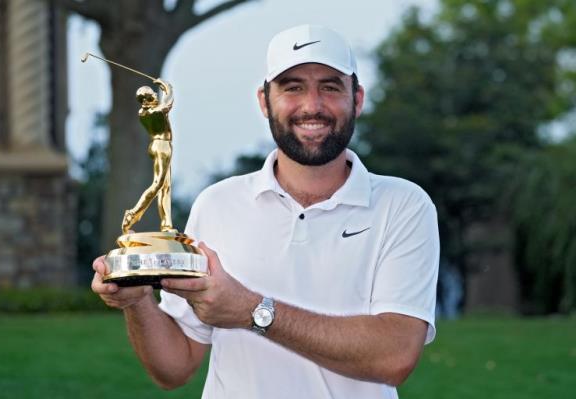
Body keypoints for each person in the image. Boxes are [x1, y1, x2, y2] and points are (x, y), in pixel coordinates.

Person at [92, 25, 439, 398]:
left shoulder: (403, 204)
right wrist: (138, 302)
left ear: (357, 99)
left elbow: (395, 356)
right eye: (292, 87)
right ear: (264, 100)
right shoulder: (217, 203)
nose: (312, 105)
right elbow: (174, 367)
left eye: (330, 86)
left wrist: (252, 311)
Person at [122, 79, 174, 233]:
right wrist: (166, 86)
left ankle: (166, 224)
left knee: (166, 187)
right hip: (162, 146)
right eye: (152, 96)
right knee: (158, 184)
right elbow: (169, 102)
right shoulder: (154, 112)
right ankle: (132, 215)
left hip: (159, 146)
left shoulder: (143, 112)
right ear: (145, 100)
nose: (155, 97)